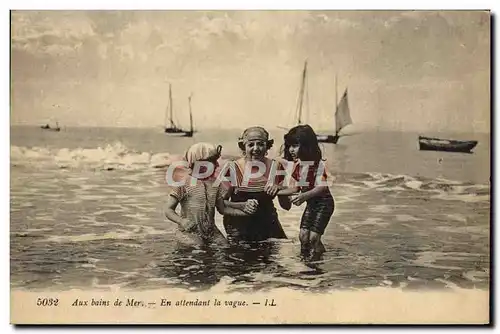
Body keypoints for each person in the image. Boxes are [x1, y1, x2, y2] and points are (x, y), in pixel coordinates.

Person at [164, 142, 256, 247]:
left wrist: (245, 213)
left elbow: (223, 209)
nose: (217, 165)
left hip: (211, 231)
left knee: (226, 247)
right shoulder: (183, 184)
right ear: (199, 163)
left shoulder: (215, 184)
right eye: (212, 161)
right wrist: (181, 221)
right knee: (198, 249)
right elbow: (168, 210)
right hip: (188, 231)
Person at [222, 126, 291, 243]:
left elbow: (286, 206)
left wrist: (279, 188)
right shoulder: (233, 168)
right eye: (251, 145)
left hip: (267, 222)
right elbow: (220, 203)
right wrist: (242, 205)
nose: (256, 148)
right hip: (238, 224)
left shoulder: (276, 167)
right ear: (244, 147)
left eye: (260, 144)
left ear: (267, 146)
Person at [278, 124, 335, 259]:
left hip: (324, 204)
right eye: (290, 146)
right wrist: (277, 192)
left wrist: (304, 196)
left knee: (314, 238)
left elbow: (322, 187)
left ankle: (317, 262)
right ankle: (305, 261)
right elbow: (296, 188)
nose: (291, 150)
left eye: (295, 145)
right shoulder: (298, 166)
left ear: (307, 146)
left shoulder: (317, 164)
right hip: (311, 204)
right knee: (303, 236)